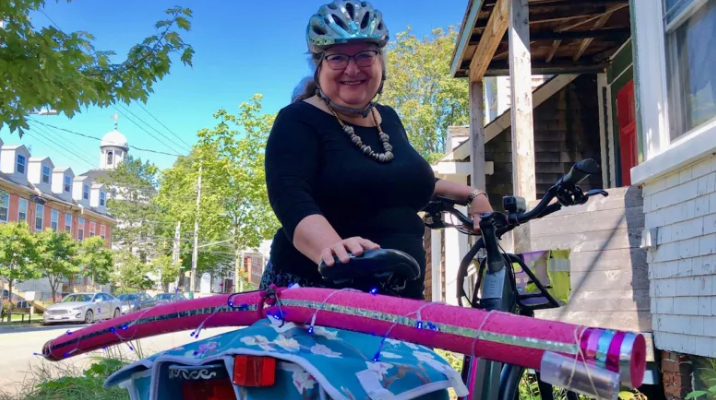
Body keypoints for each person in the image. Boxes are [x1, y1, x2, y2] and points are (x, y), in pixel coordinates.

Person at [260, 0, 493, 299]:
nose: (353, 68)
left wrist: (474, 195)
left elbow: (405, 181)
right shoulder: (297, 119)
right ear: (318, 66)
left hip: (401, 296)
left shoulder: (389, 119)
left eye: (365, 55)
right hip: (313, 293)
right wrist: (333, 249)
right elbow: (291, 198)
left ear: (381, 61)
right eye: (337, 58)